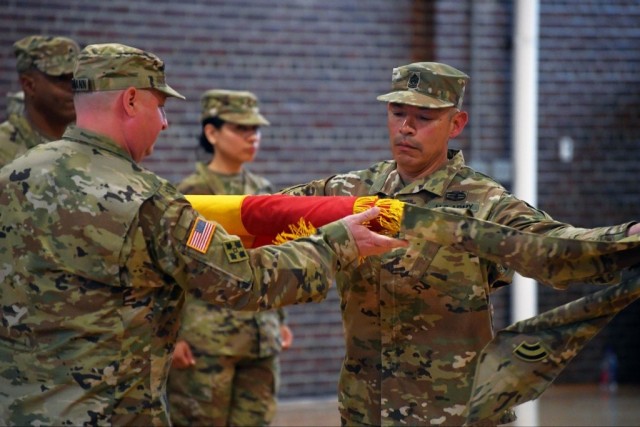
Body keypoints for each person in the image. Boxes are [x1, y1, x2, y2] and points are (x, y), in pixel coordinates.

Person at [0, 43, 406, 426]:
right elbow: (241, 280)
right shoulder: (146, 201)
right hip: (108, 411)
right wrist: (337, 242)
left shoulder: (13, 176)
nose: (164, 122)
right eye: (159, 107)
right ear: (129, 101)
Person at [281, 61, 640, 426]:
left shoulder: (483, 202)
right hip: (365, 410)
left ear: (456, 124)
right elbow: (266, 215)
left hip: (455, 412)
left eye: (424, 117)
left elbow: (553, 247)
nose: (406, 128)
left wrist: (627, 239)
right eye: (397, 112)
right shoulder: (349, 191)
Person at [167, 89, 293, 426]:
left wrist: (278, 320)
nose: (252, 137)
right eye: (241, 128)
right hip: (206, 342)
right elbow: (174, 267)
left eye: (256, 129)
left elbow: (271, 257)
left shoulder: (263, 190)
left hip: (260, 339)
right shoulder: (192, 193)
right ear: (212, 132)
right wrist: (173, 334)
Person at [0, 35, 80, 167]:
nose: (75, 88)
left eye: (78, 78)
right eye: (61, 79)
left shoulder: (88, 143)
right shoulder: (5, 150)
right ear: (29, 85)